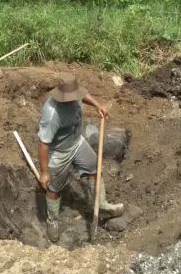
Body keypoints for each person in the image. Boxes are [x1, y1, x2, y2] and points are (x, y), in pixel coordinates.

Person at [37, 73, 124, 242]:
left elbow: (83, 94)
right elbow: (43, 143)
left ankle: (101, 204)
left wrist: (98, 104)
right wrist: (44, 171)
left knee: (94, 167)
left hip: (76, 141)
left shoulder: (75, 94)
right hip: (59, 151)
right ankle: (52, 221)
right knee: (54, 188)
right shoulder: (52, 113)